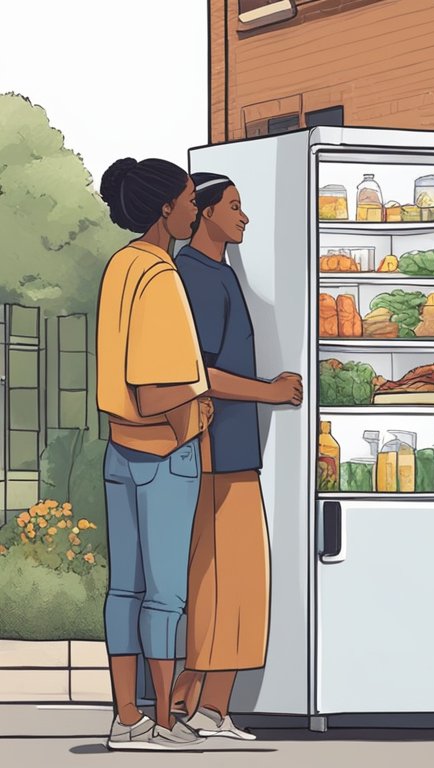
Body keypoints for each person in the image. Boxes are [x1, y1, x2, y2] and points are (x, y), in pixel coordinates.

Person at [163, 173, 303, 740]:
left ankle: (200, 707)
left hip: (234, 452)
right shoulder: (196, 278)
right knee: (225, 583)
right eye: (235, 207)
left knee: (231, 583)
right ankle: (200, 708)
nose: (244, 217)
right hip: (216, 453)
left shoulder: (218, 273)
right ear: (205, 213)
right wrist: (268, 391)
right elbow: (198, 372)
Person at [96, 158, 209, 751]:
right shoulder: (160, 273)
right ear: (166, 208)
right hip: (166, 453)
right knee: (166, 594)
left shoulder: (120, 266)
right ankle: (165, 720)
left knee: (125, 589)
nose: (195, 208)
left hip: (119, 451)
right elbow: (155, 387)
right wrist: (198, 408)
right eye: (190, 200)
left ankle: (126, 716)